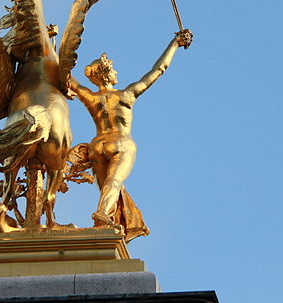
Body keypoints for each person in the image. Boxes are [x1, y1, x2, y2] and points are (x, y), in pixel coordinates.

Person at [68, 30, 193, 229]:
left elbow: (67, 79)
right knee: (114, 182)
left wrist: (51, 45)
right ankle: (102, 214)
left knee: (106, 191)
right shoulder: (126, 95)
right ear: (108, 73)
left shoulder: (91, 97)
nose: (117, 72)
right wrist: (175, 44)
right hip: (121, 143)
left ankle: (105, 221)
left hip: (96, 147)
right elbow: (158, 69)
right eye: (114, 70)